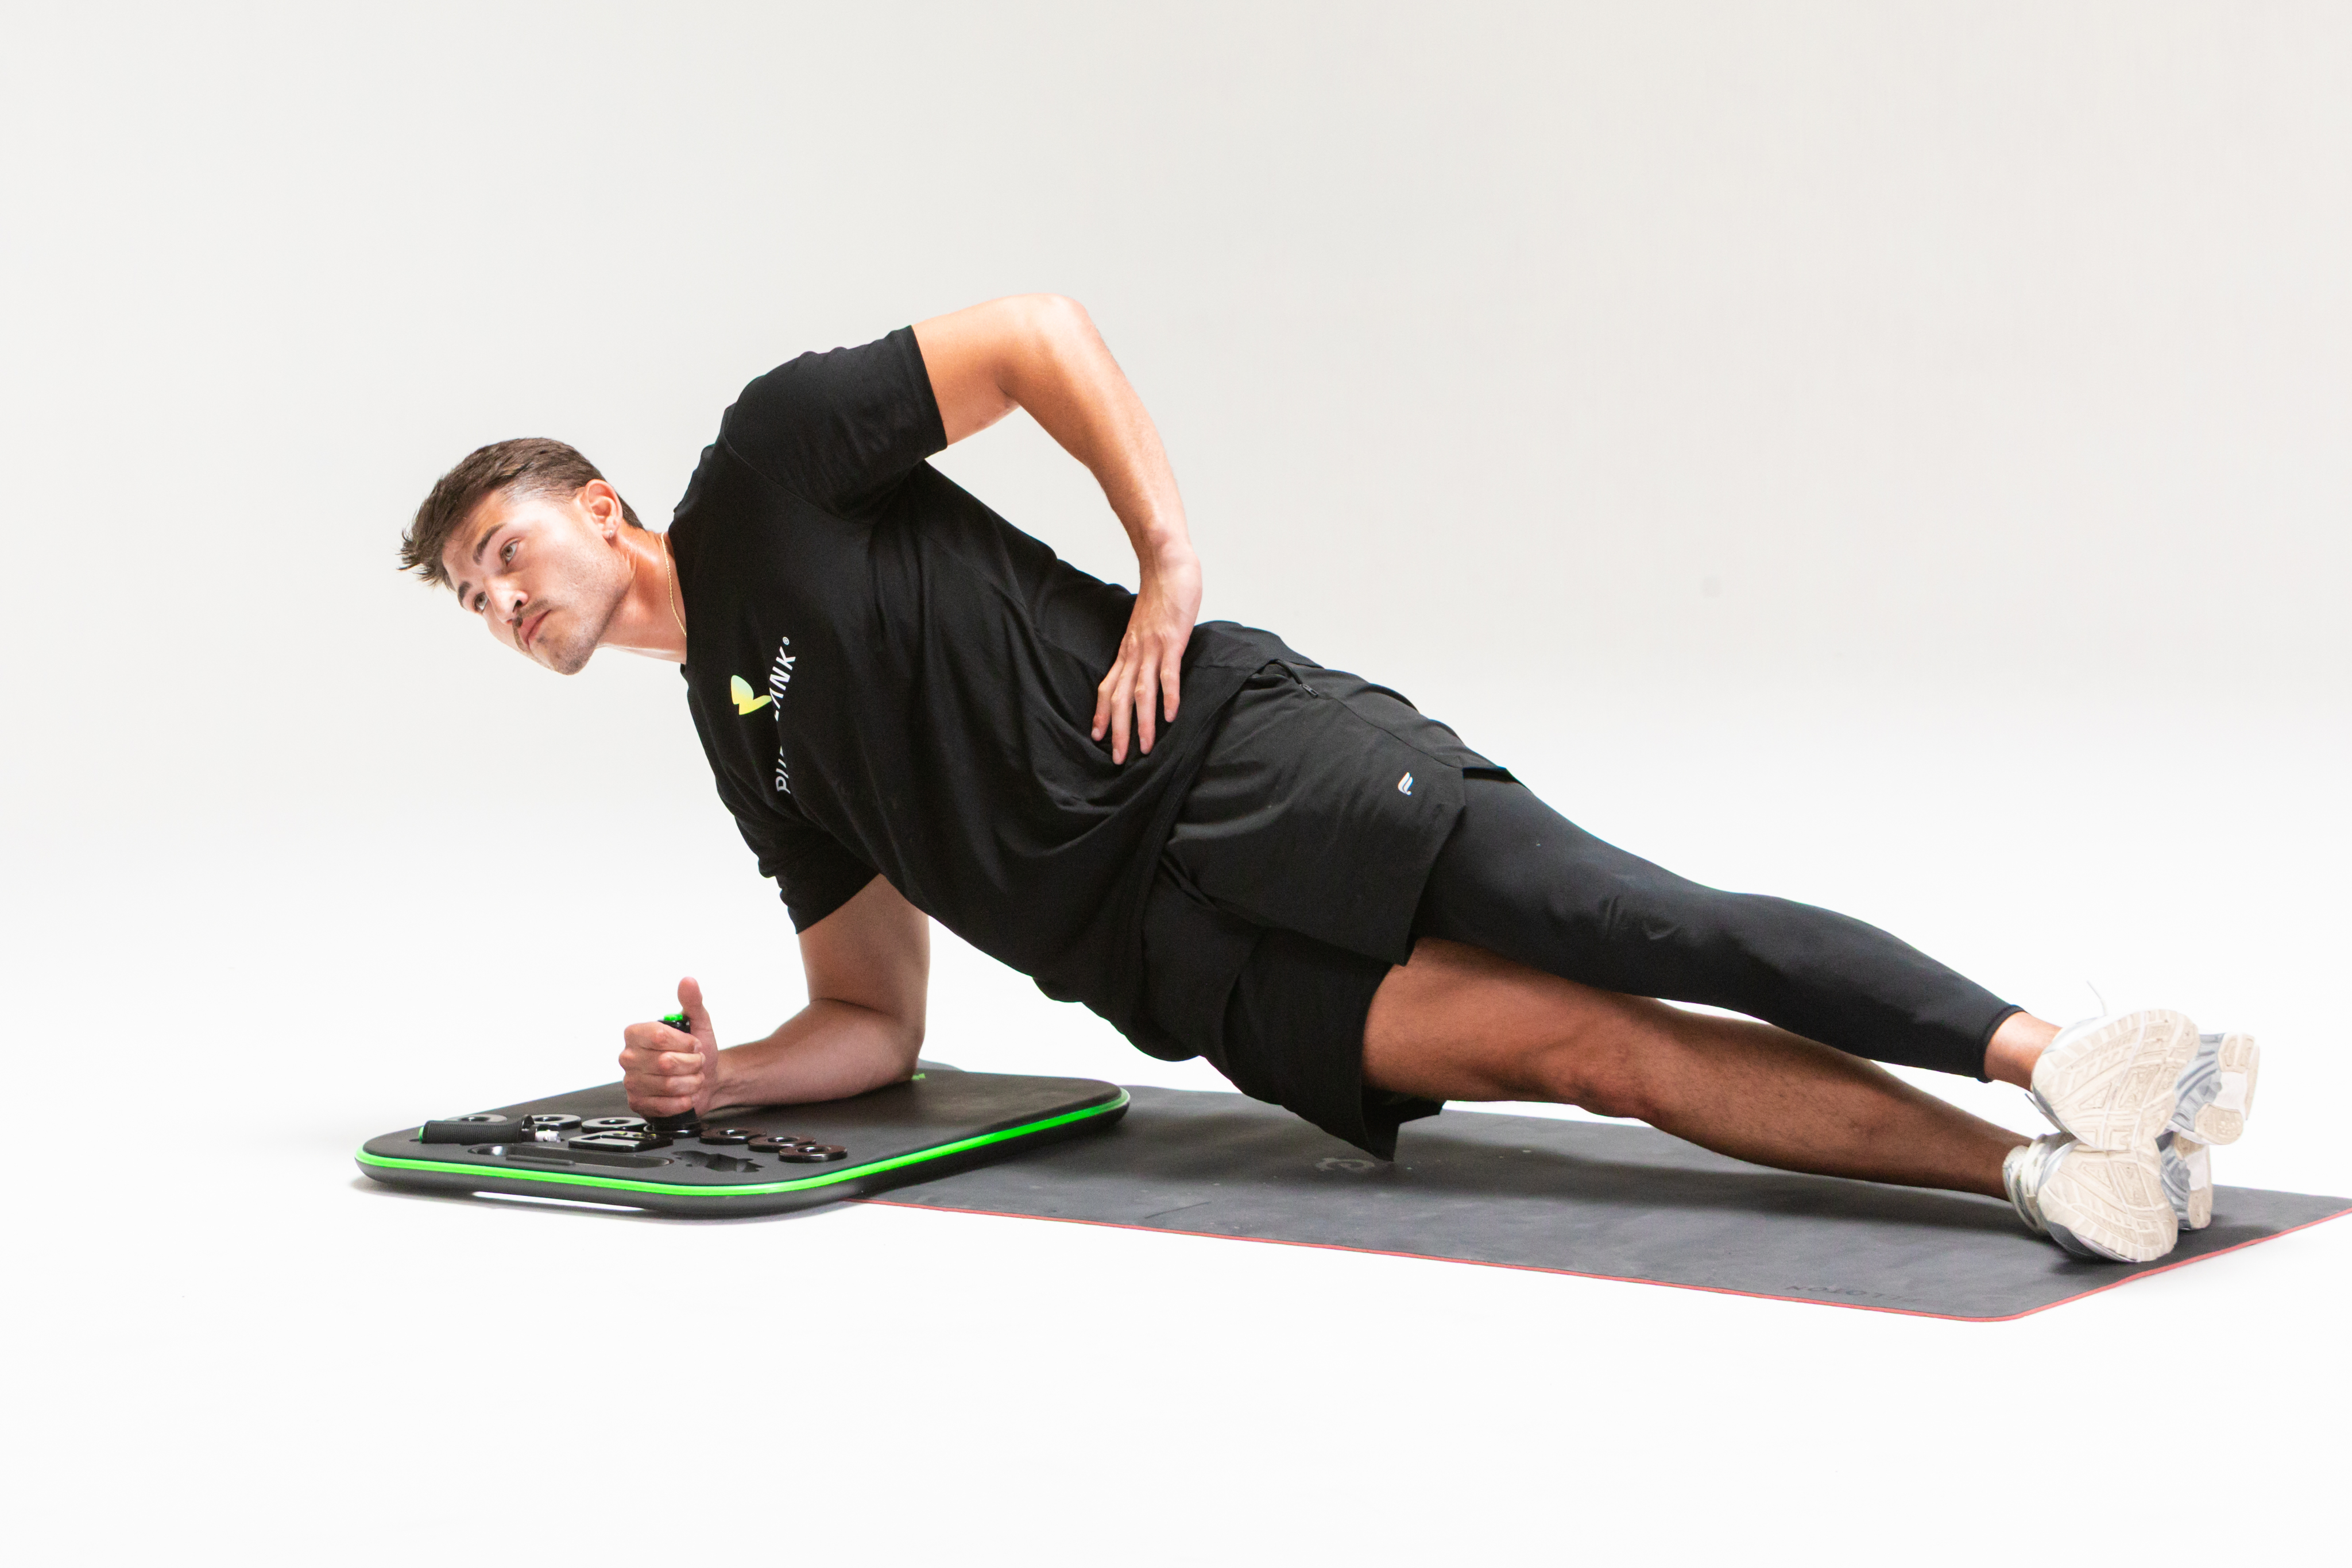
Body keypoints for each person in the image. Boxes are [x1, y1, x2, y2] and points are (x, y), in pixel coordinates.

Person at [399, 294, 2260, 1264]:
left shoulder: (770, 463)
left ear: (601, 507)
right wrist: (727, 1074)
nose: (501, 598)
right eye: (475, 599)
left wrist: (1168, 559)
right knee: (1584, 1051)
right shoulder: (740, 733)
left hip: (1236, 758)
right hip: (1173, 966)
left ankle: (2057, 1057)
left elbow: (1036, 334)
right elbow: (872, 1017)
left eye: (504, 548)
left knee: (1620, 915)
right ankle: (2033, 1176)